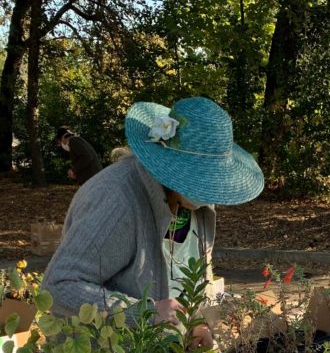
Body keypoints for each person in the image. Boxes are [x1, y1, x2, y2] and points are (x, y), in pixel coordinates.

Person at [42, 98, 264, 328]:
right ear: (170, 165)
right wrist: (145, 313)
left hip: (167, 352)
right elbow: (59, 285)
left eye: (211, 179)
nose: (208, 190)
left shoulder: (198, 202)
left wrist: (196, 325)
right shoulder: (116, 200)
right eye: (201, 178)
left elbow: (186, 276)